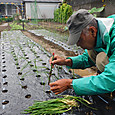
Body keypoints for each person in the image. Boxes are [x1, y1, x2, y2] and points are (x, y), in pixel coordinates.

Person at [49, 9, 115, 96]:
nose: (78, 44)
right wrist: (66, 61)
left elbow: (111, 78)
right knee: (92, 51)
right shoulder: (101, 30)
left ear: (92, 31)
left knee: (101, 60)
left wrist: (70, 84)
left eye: (79, 40)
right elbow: (87, 58)